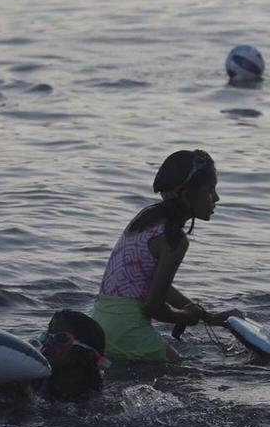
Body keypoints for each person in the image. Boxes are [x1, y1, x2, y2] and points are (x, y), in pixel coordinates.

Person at [90, 150, 238, 363]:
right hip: (128, 331)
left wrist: (207, 317)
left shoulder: (144, 219)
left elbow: (152, 285)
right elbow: (154, 307)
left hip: (101, 324)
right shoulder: (174, 240)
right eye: (210, 190)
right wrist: (188, 317)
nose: (216, 198)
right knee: (190, 378)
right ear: (187, 194)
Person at [36, 309, 109, 402]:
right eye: (47, 336)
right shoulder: (30, 383)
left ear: (88, 354)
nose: (47, 343)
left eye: (61, 338)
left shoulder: (97, 404)